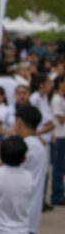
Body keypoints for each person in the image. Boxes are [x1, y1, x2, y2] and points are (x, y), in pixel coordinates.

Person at [15, 105, 46, 234]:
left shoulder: (26, 146)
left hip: (22, 211)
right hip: (30, 210)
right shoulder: (39, 144)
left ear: (19, 122)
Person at [50, 75, 65, 205]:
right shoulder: (57, 100)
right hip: (60, 136)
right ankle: (57, 194)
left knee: (61, 167)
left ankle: (60, 192)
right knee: (58, 167)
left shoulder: (62, 99)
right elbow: (60, 120)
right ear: (60, 84)